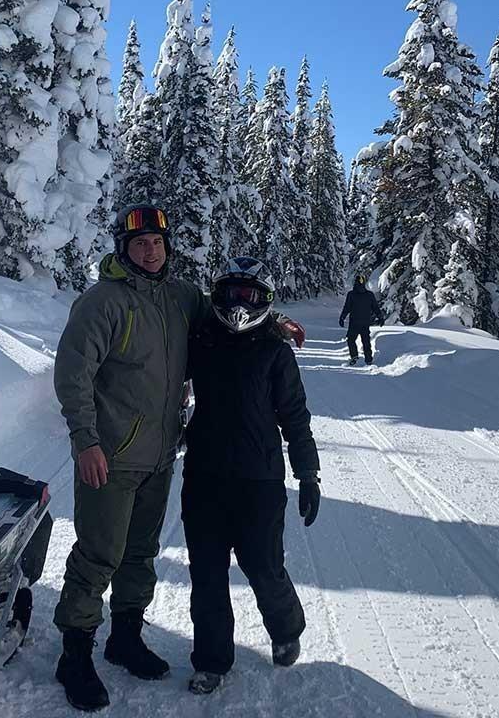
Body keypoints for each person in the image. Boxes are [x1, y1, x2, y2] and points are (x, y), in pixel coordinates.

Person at [51, 205, 304, 712]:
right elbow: (72, 373)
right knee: (99, 555)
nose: (150, 251)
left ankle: (125, 636)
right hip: (111, 457)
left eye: (157, 243)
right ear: (124, 249)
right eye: (140, 243)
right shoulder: (103, 302)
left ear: (167, 248)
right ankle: (74, 653)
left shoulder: (179, 296)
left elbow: (230, 307)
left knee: (140, 553)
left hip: (160, 456)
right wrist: (86, 441)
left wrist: (275, 321)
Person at [180, 256, 320, 696]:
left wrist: (308, 472)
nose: (240, 303)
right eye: (232, 293)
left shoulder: (275, 351)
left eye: (250, 295)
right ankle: (211, 660)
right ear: (217, 295)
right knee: (207, 573)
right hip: (204, 476)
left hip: (259, 481)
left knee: (263, 566)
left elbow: (294, 415)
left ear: (265, 299)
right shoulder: (200, 339)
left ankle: (287, 628)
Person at [339, 274, 384, 365]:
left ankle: (354, 356)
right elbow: (375, 308)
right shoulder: (369, 295)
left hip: (354, 323)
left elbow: (347, 307)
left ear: (355, 283)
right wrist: (380, 317)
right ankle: (368, 359)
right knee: (366, 341)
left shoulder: (351, 294)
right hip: (365, 322)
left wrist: (342, 317)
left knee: (351, 340)